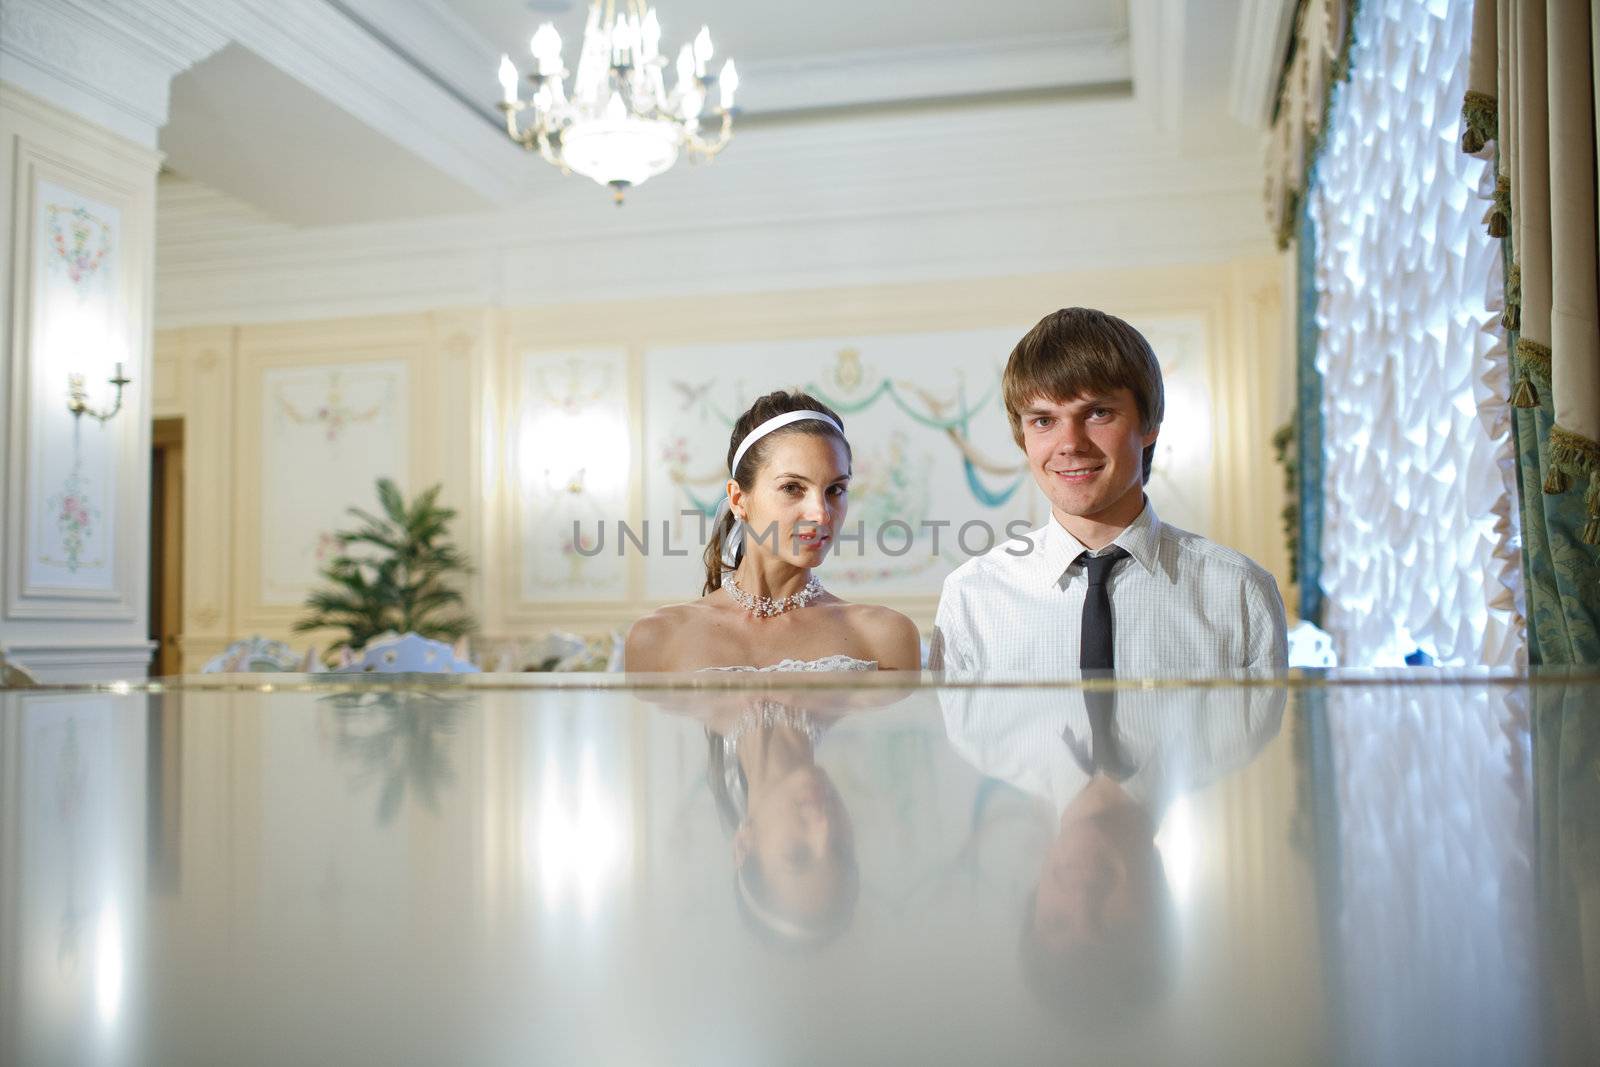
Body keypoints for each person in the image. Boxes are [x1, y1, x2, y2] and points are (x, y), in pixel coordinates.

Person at [929, 307, 1288, 675]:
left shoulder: (1241, 591)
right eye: (1043, 420)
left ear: (1149, 424)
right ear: (1022, 438)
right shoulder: (971, 596)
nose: (1070, 444)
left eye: (1097, 413)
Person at [940, 681, 1285, 1030]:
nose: (1081, 897)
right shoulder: (1241, 722)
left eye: (1056, 921)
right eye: (1109, 928)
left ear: (1037, 896)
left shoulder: (977, 728)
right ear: (1158, 910)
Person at [625, 390, 921, 672]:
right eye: (792, 488)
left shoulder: (885, 637)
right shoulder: (657, 638)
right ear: (739, 500)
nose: (821, 513)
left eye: (835, 490)